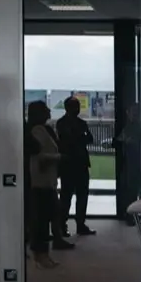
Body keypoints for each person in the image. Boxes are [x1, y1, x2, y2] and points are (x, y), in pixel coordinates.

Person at [26, 100, 64, 268]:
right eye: (45, 109)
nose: (49, 111)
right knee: (41, 220)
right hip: (40, 182)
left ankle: (44, 254)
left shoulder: (45, 129)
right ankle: (40, 255)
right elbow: (40, 156)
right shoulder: (36, 131)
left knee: (48, 216)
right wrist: (59, 158)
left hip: (48, 180)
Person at [55, 95, 95, 237]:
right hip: (68, 164)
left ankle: (80, 224)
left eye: (78, 106)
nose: (77, 109)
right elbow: (68, 140)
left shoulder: (81, 123)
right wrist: (80, 137)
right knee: (66, 197)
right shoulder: (61, 123)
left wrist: (78, 137)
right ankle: (62, 225)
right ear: (67, 108)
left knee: (82, 196)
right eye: (74, 107)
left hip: (81, 164)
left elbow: (90, 138)